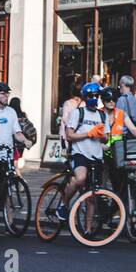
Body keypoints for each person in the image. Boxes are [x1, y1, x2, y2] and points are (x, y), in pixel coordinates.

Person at [57, 81, 108, 220]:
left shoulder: (103, 116)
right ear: (87, 96)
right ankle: (64, 204)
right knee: (80, 178)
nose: (96, 99)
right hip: (79, 153)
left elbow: (106, 138)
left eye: (98, 96)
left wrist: (101, 136)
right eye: (94, 95)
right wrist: (89, 134)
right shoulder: (77, 113)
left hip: (96, 156)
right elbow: (69, 135)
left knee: (91, 196)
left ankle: (88, 231)